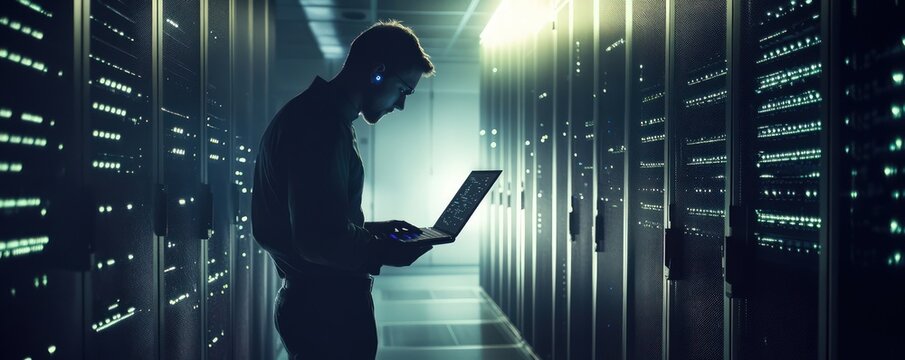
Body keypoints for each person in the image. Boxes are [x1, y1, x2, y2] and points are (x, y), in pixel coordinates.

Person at [251, 20, 436, 359]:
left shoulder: (317, 116)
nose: (400, 105)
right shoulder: (321, 126)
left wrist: (373, 231)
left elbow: (316, 222)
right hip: (327, 314)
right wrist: (385, 251)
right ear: (378, 72)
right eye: (404, 91)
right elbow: (318, 240)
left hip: (315, 306)